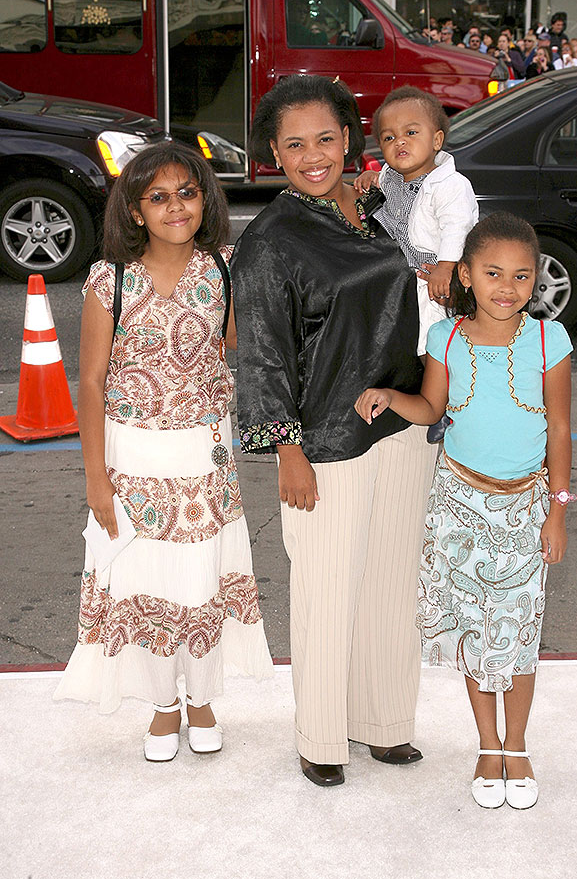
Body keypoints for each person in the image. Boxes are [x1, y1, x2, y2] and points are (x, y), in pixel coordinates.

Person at [231, 75, 437, 788]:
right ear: (274, 155)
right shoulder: (268, 242)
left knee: (388, 584)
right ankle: (321, 738)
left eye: (325, 138)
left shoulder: (378, 207)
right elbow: (260, 354)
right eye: (295, 144)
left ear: (348, 139)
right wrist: (287, 450)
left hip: (401, 422)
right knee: (326, 590)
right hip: (324, 441)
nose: (313, 155)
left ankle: (383, 725)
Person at [54, 141, 273, 760]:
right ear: (133, 211)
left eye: (187, 192)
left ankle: (201, 700)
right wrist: (96, 477)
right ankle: (162, 704)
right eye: (157, 197)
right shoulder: (110, 281)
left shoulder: (224, 269)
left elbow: (242, 350)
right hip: (133, 460)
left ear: (206, 198)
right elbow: (91, 382)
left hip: (204, 458)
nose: (175, 206)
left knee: (200, 575)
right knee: (143, 577)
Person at [355, 211, 574, 810]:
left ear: (535, 283)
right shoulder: (444, 338)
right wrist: (389, 396)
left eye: (522, 276)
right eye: (494, 273)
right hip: (457, 503)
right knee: (478, 633)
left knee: (520, 633)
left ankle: (519, 745)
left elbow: (559, 428)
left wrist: (557, 509)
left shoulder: (550, 342)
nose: (508, 288)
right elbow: (432, 408)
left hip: (525, 507)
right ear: (468, 276)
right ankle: (486, 745)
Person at [353, 85, 478, 358]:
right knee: (404, 344)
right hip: (400, 283)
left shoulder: (451, 185)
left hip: (433, 280)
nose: (400, 142)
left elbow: (457, 227)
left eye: (411, 133)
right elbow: (381, 200)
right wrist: (370, 178)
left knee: (434, 348)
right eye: (389, 137)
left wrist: (446, 267)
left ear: (436, 140)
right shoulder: (390, 177)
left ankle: (440, 394)